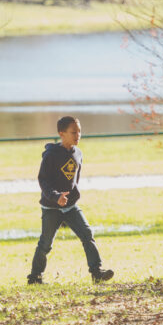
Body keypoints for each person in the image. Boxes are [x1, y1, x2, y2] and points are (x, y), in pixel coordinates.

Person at [27, 116, 114, 285]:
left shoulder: (78, 153)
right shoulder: (51, 155)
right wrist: (55, 196)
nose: (78, 135)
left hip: (71, 206)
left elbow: (74, 179)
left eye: (79, 131)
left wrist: (71, 197)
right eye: (74, 132)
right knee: (45, 244)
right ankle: (35, 277)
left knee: (87, 234)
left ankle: (97, 272)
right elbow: (43, 180)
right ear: (61, 133)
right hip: (51, 207)